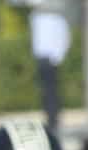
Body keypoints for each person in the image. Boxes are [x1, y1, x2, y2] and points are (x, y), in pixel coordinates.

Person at [26, 0, 70, 129]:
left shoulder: (55, 18)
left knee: (52, 91)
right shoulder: (35, 18)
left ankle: (54, 119)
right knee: (45, 90)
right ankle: (49, 117)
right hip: (41, 58)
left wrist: (58, 56)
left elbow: (64, 38)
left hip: (51, 58)